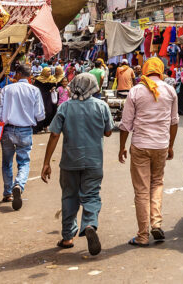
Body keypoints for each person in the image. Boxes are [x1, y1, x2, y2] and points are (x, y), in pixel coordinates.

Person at [40, 73, 114, 255]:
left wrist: (46, 162)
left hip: (69, 161)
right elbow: (108, 132)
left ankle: (67, 237)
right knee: (91, 196)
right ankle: (89, 224)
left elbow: (54, 134)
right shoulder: (101, 106)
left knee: (69, 197)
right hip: (94, 161)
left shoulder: (65, 107)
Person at [119, 58, 179, 247]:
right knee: (157, 183)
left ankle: (143, 235)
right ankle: (156, 222)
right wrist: (170, 146)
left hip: (140, 145)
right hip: (161, 145)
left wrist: (122, 146)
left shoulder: (136, 90)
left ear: (145, 70)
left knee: (142, 190)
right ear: (160, 70)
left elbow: (126, 123)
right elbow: (174, 121)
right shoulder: (170, 90)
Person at [0, 63, 45, 210]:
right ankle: (19, 184)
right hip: (25, 130)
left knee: (7, 162)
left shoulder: (7, 89)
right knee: (24, 161)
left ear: (19, 74)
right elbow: (40, 115)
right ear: (29, 76)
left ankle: (8, 192)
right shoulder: (34, 90)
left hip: (7, 131)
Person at [33, 67, 57, 133]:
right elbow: (35, 88)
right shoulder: (38, 80)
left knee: (49, 111)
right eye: (48, 71)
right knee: (41, 110)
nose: (49, 73)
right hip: (41, 96)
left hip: (49, 96)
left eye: (50, 71)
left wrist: (53, 88)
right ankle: (39, 127)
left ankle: (46, 126)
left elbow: (54, 85)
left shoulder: (52, 78)